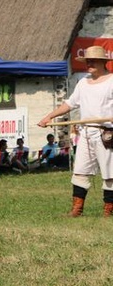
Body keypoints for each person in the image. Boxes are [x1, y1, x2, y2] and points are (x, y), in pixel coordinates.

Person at [38, 45, 113, 217]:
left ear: (103, 62)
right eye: (88, 61)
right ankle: (77, 210)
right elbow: (69, 104)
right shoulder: (83, 83)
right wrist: (49, 116)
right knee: (80, 171)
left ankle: (109, 211)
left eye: (93, 61)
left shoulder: (111, 80)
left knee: (110, 173)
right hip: (86, 133)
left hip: (106, 134)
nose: (89, 63)